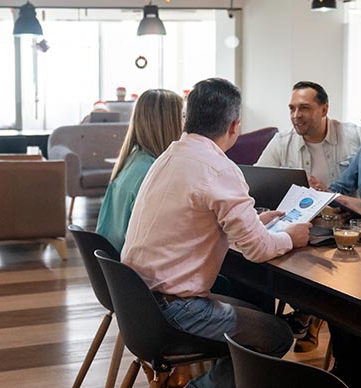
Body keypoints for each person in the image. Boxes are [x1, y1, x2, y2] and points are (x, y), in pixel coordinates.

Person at [122, 78, 311, 388]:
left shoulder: (167, 157)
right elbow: (258, 251)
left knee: (252, 310)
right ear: (235, 125)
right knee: (276, 335)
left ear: (187, 117)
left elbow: (198, 222)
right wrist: (292, 236)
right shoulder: (219, 168)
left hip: (139, 304)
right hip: (176, 312)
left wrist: (254, 222)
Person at [97, 89, 183, 252]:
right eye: (183, 116)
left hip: (114, 263)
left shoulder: (134, 160)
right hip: (132, 268)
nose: (185, 124)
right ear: (169, 123)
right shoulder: (152, 172)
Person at [256, 81, 361, 188]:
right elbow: (256, 182)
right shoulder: (281, 142)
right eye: (292, 109)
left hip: (345, 204)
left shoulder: (355, 135)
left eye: (304, 108)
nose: (296, 115)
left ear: (324, 110)